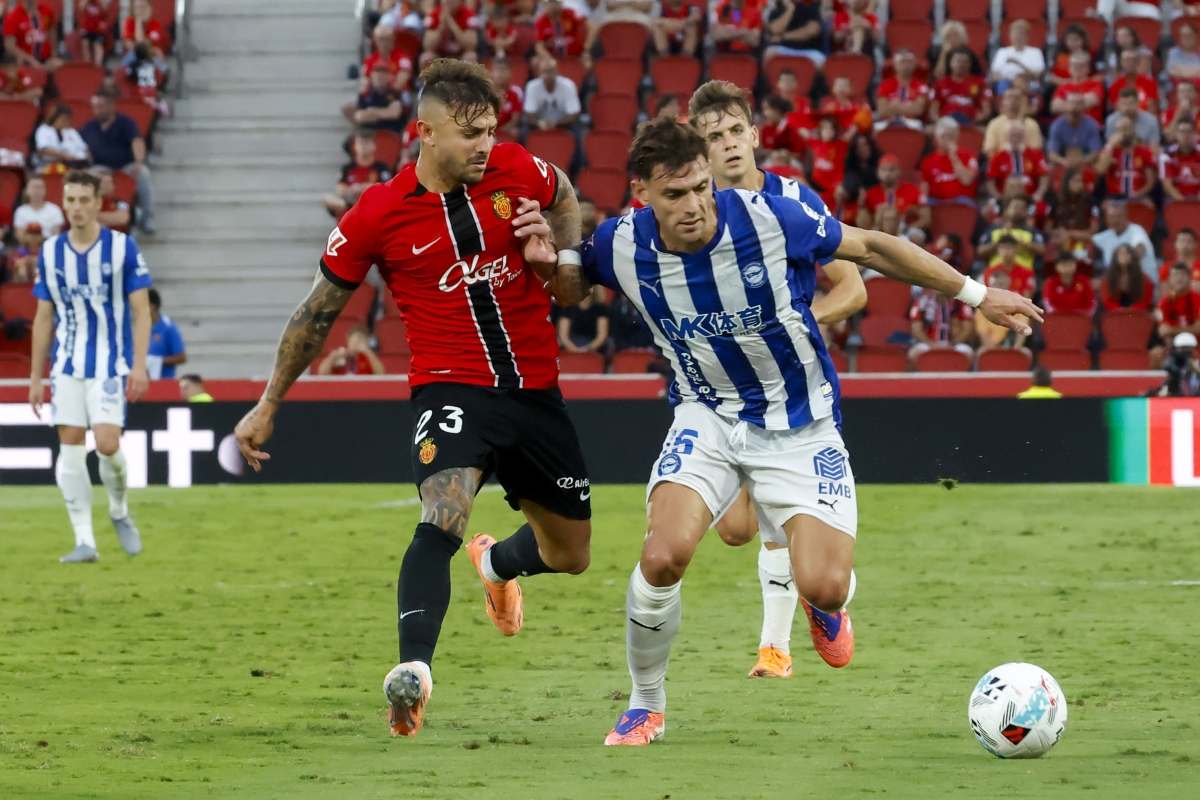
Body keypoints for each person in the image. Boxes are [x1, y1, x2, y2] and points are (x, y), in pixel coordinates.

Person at [569, 116, 1039, 746]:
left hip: (800, 422)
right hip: (707, 415)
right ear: (642, 193)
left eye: (701, 187)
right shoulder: (620, 243)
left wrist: (977, 295)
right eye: (675, 194)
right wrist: (551, 254)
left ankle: (825, 603)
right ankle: (645, 704)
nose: (694, 205)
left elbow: (871, 248)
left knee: (825, 584)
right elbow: (568, 282)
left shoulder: (769, 218)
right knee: (661, 559)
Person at [233, 60, 592, 741]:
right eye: (469, 134)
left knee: (572, 553)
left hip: (535, 390)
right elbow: (317, 313)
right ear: (425, 133)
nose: (485, 146)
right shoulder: (378, 213)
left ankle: (497, 564)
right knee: (442, 515)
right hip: (450, 386)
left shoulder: (520, 169)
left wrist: (563, 263)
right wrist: (269, 401)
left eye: (490, 131)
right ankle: (413, 674)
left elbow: (566, 192)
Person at [686, 79, 867, 680]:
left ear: (755, 135)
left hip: (791, 393)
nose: (729, 143)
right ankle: (815, 598)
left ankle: (779, 644)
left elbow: (853, 286)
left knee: (774, 527)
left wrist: (795, 324)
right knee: (735, 531)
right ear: (701, 151)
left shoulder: (793, 201)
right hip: (721, 392)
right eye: (714, 136)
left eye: (736, 130)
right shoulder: (691, 212)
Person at [27, 170, 151, 564]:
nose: (76, 207)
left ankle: (119, 510)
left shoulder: (122, 247)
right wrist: (35, 376)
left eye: (84, 200)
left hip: (109, 363)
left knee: (108, 444)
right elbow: (43, 317)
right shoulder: (50, 252)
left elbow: (142, 311)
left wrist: (139, 365)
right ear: (63, 204)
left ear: (98, 203)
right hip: (66, 364)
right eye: (70, 200)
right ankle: (85, 541)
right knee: (71, 448)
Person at [80, 91, 155, 235]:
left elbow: (137, 141)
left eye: (100, 107)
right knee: (87, 177)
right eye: (94, 107)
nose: (97, 111)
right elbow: (80, 147)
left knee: (143, 173)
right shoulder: (89, 127)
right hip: (100, 167)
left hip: (125, 165)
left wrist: (139, 161)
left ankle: (147, 217)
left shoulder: (125, 123)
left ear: (111, 105)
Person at [321, 129, 393, 220]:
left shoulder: (381, 167)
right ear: (355, 146)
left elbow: (386, 189)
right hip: (350, 204)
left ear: (374, 145)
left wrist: (355, 188)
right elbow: (341, 190)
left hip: (372, 205)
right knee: (326, 197)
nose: (363, 146)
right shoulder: (347, 168)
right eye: (360, 143)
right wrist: (363, 187)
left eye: (366, 143)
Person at [859, 154, 930, 233]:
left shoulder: (913, 191)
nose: (887, 173)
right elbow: (862, 224)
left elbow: (926, 217)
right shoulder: (871, 194)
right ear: (878, 172)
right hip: (879, 233)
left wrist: (908, 229)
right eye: (883, 170)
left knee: (916, 236)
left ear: (899, 171)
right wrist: (861, 206)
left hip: (905, 233)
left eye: (892, 170)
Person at [1096, 116, 1157, 204]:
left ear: (1134, 130)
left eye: (1125, 129)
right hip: (1115, 197)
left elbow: (1151, 181)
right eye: (1118, 130)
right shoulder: (1110, 150)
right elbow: (1100, 170)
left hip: (1139, 196)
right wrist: (1110, 146)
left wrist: (1139, 193)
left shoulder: (1145, 152)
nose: (1122, 133)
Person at [986, 121, 1049, 204]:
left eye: (1018, 135)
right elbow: (990, 181)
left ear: (1023, 136)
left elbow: (1044, 178)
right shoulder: (997, 157)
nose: (1015, 139)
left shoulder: (1036, 154)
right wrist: (998, 198)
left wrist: (1038, 194)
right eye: (1012, 135)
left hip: (1030, 197)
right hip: (1005, 197)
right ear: (1006, 137)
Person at [921, 117, 980, 204]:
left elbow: (966, 180)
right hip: (937, 201)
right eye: (944, 136)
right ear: (937, 137)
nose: (947, 140)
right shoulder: (928, 161)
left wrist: (954, 157)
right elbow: (924, 189)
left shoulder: (969, 156)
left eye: (951, 136)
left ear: (957, 137)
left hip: (962, 201)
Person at [1093, 200, 1157, 281]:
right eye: (1112, 217)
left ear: (1126, 215)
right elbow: (1089, 238)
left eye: (1119, 216)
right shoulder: (1107, 236)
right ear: (1106, 218)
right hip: (1117, 283)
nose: (1116, 221)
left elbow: (1139, 251)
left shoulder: (1136, 231)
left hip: (1142, 282)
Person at [931, 47, 993, 126]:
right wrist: (940, 123)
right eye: (958, 61)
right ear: (950, 63)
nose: (961, 65)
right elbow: (933, 111)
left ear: (970, 64)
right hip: (946, 124)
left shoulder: (980, 83)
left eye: (965, 62)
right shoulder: (940, 83)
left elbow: (986, 111)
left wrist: (975, 122)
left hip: (971, 124)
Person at [874, 49, 930, 131]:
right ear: (895, 65)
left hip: (913, 122)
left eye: (909, 61)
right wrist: (909, 106)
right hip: (888, 121)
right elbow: (882, 111)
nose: (906, 65)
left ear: (914, 64)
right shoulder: (884, 85)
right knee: (875, 129)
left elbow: (918, 110)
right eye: (902, 62)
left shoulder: (921, 86)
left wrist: (895, 106)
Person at [522, 57, 581, 132]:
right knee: (524, 132)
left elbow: (573, 114)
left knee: (577, 131)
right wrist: (539, 123)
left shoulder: (568, 86)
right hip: (539, 124)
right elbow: (529, 114)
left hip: (563, 124)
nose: (547, 75)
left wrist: (556, 123)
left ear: (557, 72)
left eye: (550, 71)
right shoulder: (532, 86)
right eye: (544, 71)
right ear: (539, 73)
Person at [1049, 51, 1105, 127]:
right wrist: (1080, 103)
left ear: (1088, 68)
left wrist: (1066, 103)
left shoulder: (1096, 84)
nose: (1076, 68)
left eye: (1080, 66)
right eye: (1073, 65)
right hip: (1066, 126)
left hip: (1091, 126)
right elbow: (1055, 107)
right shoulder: (1063, 86)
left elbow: (1093, 101)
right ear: (1069, 68)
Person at [1047, 93, 1104, 167]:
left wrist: (1081, 162)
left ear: (1084, 105)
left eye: (1078, 103)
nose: (1075, 106)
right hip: (1062, 163)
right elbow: (1052, 154)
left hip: (1086, 162)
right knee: (1050, 166)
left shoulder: (1091, 125)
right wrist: (1064, 162)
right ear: (1066, 104)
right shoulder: (1057, 125)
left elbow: (1095, 152)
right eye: (1072, 103)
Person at [763, 0, 826, 66]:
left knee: (821, 62)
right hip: (785, 49)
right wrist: (790, 9)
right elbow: (774, 30)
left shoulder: (811, 6)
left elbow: (812, 31)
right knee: (769, 54)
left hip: (809, 50)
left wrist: (783, 37)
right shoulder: (777, 9)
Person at [989, 19, 1044, 94]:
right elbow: (995, 74)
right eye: (1014, 34)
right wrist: (1012, 81)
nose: (1017, 37)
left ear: (1027, 36)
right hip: (1007, 83)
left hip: (1028, 84)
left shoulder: (1035, 52)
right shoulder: (1002, 52)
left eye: (1021, 34)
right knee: (1002, 84)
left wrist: (1018, 64)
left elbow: (1037, 75)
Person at [984, 86, 1043, 156]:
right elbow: (990, 151)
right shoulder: (994, 124)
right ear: (1003, 102)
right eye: (1009, 98)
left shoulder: (1032, 125)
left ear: (1022, 102)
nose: (1013, 101)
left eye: (1016, 98)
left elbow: (1035, 151)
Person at [3, 0, 61, 70]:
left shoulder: (47, 10)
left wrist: (54, 53)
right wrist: (30, 59)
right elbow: (9, 45)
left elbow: (52, 31)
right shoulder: (12, 15)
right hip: (25, 60)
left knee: (59, 66)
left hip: (46, 58)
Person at [351, 62, 405, 134]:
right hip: (368, 133)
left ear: (388, 76)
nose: (379, 76)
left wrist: (372, 111)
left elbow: (394, 113)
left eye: (383, 73)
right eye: (377, 72)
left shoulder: (394, 93)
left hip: (389, 132)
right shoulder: (365, 94)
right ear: (371, 76)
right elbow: (358, 116)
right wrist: (383, 113)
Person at [33, 103, 91, 171]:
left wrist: (84, 158)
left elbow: (85, 149)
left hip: (74, 164)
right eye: (63, 119)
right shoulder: (44, 130)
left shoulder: (71, 132)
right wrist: (62, 155)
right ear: (56, 118)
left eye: (68, 119)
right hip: (49, 164)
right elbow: (43, 148)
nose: (66, 122)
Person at [557, 285, 611, 355]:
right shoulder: (568, 307)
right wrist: (574, 349)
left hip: (593, 344)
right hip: (572, 342)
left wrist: (587, 349)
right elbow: (563, 336)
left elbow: (602, 336)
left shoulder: (600, 308)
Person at [420, 0, 479, 65]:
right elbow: (428, 46)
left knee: (471, 56)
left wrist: (452, 24)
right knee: (427, 57)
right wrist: (441, 27)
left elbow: (471, 46)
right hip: (439, 55)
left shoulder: (468, 15)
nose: (447, 2)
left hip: (460, 55)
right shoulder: (434, 14)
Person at [1099, 243, 1154, 311]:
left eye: (1127, 253)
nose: (1124, 256)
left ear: (1132, 256)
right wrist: (1120, 311)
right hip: (1114, 314)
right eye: (1120, 253)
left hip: (1137, 313)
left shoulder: (1143, 278)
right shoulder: (1108, 278)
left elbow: (1146, 300)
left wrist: (1131, 311)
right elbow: (1107, 301)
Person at [146, 287, 186, 379]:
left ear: (153, 305)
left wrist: (157, 361)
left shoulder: (168, 328)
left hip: (164, 382)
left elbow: (182, 357)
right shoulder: (141, 328)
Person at [1108, 48, 1159, 116]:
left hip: (1145, 118)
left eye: (1133, 60)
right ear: (1121, 63)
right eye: (1126, 60)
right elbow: (1117, 110)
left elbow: (1152, 107)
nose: (1129, 63)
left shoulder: (1149, 82)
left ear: (1137, 63)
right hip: (1124, 119)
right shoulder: (1115, 85)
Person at [1156, 263, 1200, 342]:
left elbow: (1198, 328)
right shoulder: (1164, 302)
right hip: (1174, 345)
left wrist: (1173, 330)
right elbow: (1163, 331)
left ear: (1189, 277)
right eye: (1175, 275)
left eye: (1183, 275)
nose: (1179, 279)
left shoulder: (1198, 299)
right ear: (1169, 279)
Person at [317, 324, 385, 375]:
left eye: (360, 340)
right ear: (348, 340)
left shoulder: (368, 358)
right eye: (354, 341)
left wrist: (367, 352)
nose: (356, 344)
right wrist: (332, 357)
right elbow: (322, 373)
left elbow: (380, 372)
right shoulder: (341, 356)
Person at [1162, 119, 1200, 202]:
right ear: (1176, 134)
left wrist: (1196, 202)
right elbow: (1167, 184)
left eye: (1189, 132)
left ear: (1195, 134)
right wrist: (1182, 201)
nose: (1185, 135)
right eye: (1182, 132)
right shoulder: (1169, 155)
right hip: (1176, 198)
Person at [1156, 332, 1200, 396]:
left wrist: (1194, 368)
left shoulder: (1196, 362)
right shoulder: (1172, 361)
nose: (1185, 351)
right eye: (1183, 348)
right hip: (1176, 392)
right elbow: (1167, 369)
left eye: (1188, 348)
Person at [91, 165, 132, 231]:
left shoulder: (118, 202)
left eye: (108, 183)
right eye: (102, 183)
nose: (105, 187)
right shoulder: (84, 201)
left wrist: (93, 216)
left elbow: (122, 219)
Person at [76, 0, 111, 66]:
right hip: (87, 28)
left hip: (98, 29)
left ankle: (98, 64)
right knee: (85, 43)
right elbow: (81, 7)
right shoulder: (86, 3)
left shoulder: (100, 2)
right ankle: (87, 64)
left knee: (97, 44)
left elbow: (106, 9)